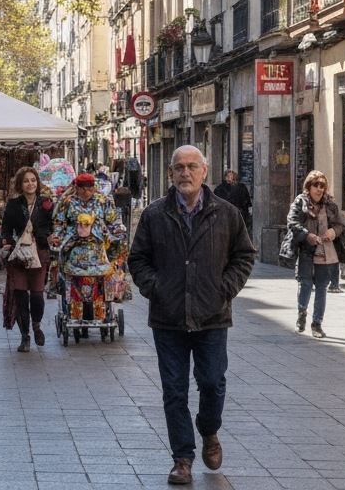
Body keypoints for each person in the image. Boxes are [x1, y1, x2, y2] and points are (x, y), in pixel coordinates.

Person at [128, 146, 255, 485]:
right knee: (174, 391)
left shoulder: (226, 213)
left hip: (212, 315)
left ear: (204, 171)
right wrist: (157, 288)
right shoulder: (155, 214)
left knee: (212, 382)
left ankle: (209, 431)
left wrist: (223, 289)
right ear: (170, 173)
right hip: (168, 318)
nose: (185, 173)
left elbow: (244, 255)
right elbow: (137, 259)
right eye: (179, 167)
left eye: (192, 166)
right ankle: (182, 458)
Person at [52, 174, 125, 327]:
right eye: (82, 188)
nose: (86, 192)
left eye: (90, 188)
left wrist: (118, 229)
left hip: (97, 248)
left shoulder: (103, 201)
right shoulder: (68, 202)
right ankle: (74, 314)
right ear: (76, 188)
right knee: (73, 282)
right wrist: (57, 237)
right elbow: (59, 222)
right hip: (75, 249)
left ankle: (101, 314)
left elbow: (114, 220)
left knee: (101, 281)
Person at [0, 167, 53, 353]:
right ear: (20, 185)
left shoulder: (46, 203)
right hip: (19, 256)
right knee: (21, 296)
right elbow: (5, 229)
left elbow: (53, 226)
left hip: (40, 253)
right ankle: (25, 336)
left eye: (33, 180)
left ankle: (36, 326)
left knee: (37, 295)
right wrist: (10, 244)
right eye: (26, 181)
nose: (30, 184)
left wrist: (47, 238)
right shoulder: (13, 204)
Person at [286, 170, 345, 339]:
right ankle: (302, 312)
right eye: (316, 185)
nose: (319, 189)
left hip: (325, 252)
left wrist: (333, 232)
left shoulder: (330, 205)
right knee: (305, 284)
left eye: (322, 186)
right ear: (308, 186)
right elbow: (292, 221)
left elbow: (340, 225)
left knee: (321, 288)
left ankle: (317, 323)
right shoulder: (300, 202)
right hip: (306, 250)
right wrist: (307, 236)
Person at [214, 170, 252, 234]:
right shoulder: (220, 188)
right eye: (227, 175)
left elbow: (246, 201)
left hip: (239, 214)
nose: (228, 177)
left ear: (234, 177)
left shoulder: (241, 187)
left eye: (230, 175)